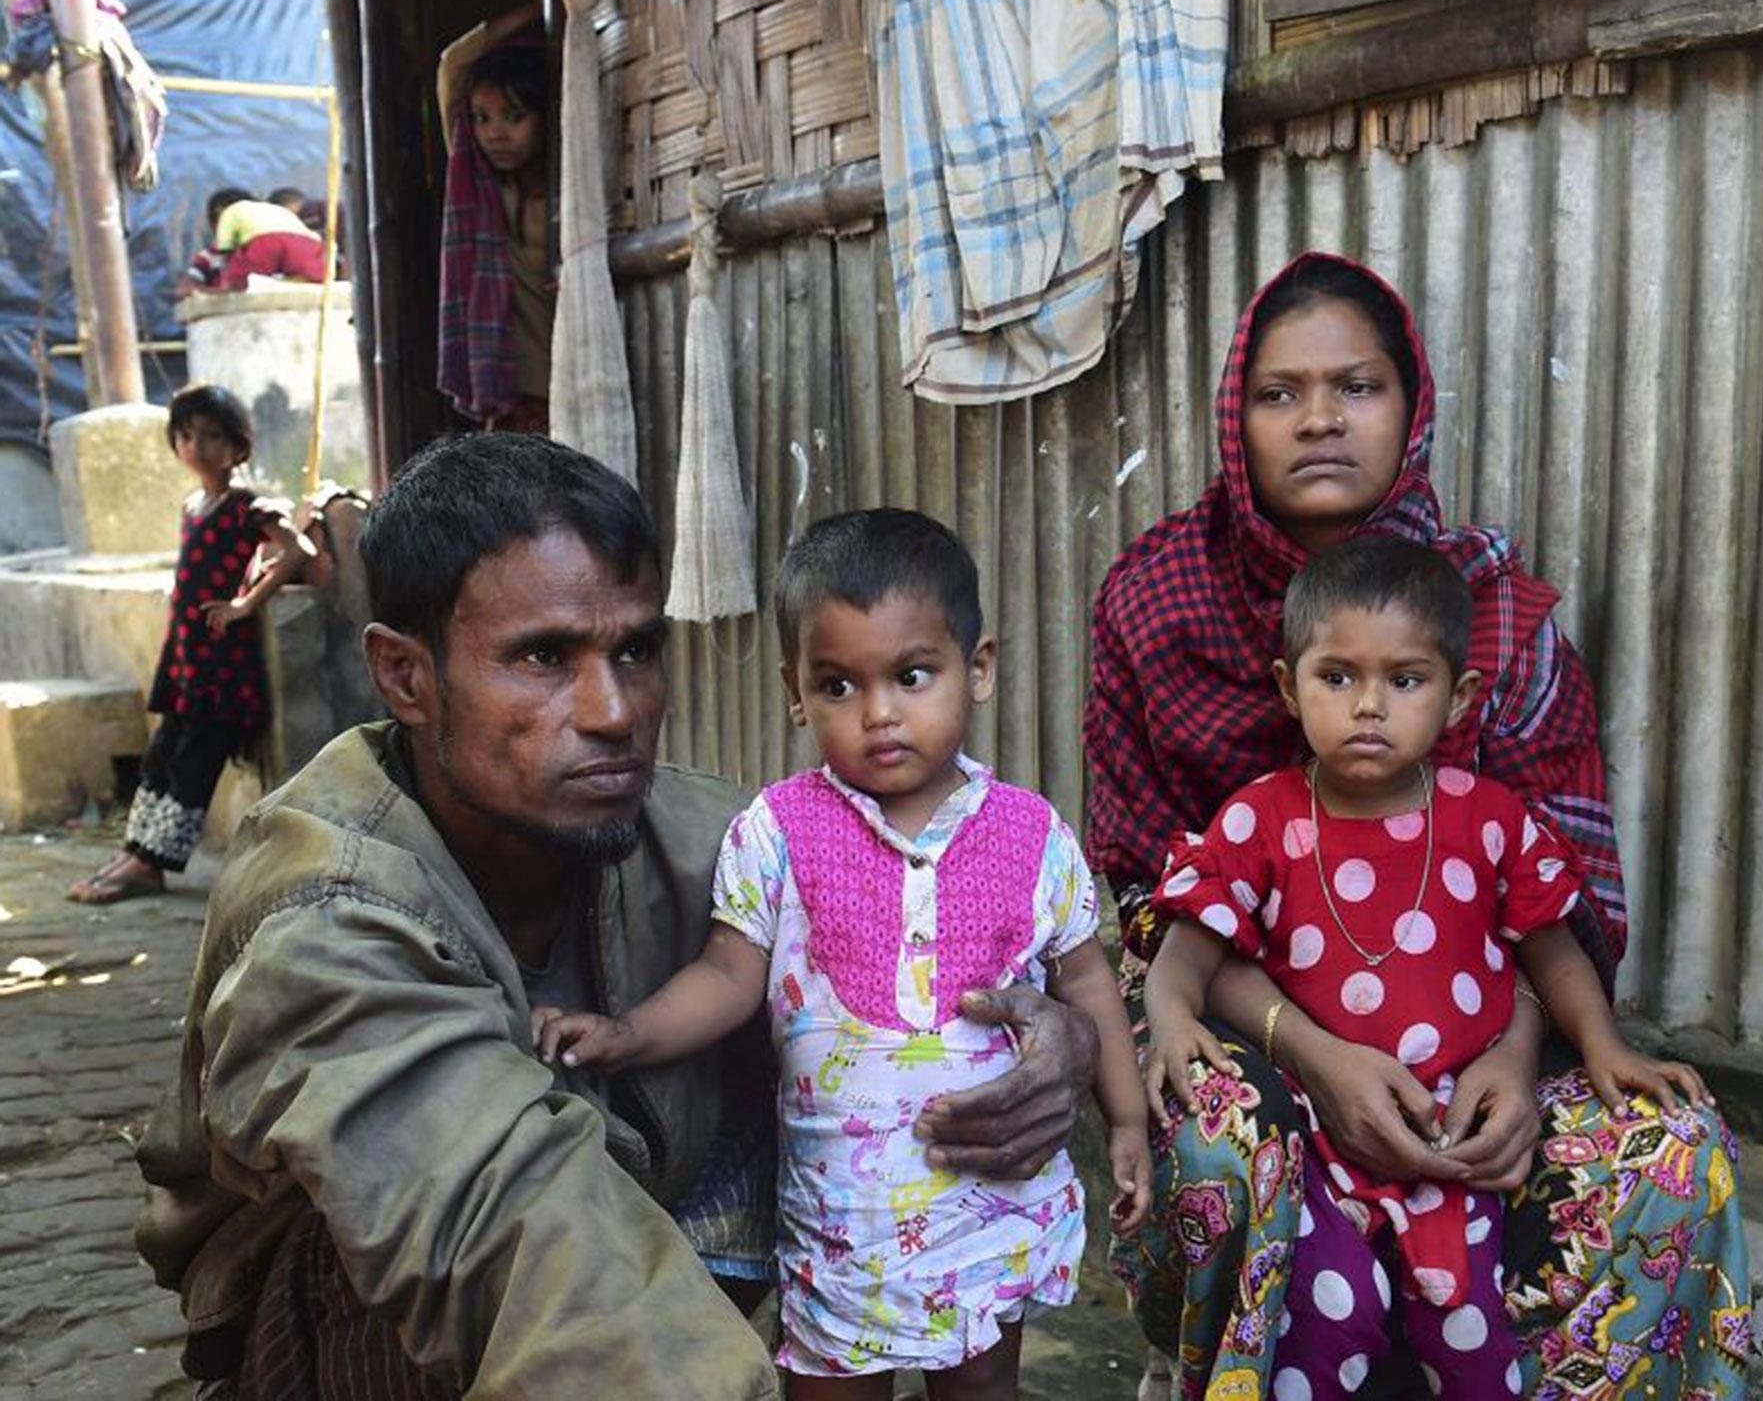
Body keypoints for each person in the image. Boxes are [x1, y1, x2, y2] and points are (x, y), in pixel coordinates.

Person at [133, 435, 1102, 1396]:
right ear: (405, 677)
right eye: (544, 657)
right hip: (369, 1320)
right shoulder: (322, 915)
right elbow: (501, 1232)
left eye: (635, 650)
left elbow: (972, 980)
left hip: (635, 1255)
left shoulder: (725, 839)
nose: (611, 710)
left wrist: (1060, 1043)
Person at [1086, 252, 1750, 1397]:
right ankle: (1220, 1367)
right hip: (1253, 1035)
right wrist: (1314, 1052)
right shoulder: (1155, 602)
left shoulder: (1494, 617)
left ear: (1411, 406)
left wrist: (1510, 1053)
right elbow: (1155, 903)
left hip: (1486, 1046)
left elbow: (1561, 908)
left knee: (1676, 1155)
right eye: (1278, 393)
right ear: (1233, 418)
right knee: (1207, 1143)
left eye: (1357, 386)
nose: (1319, 421)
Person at [533, 507, 1151, 1400]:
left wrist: (1126, 1121)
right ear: (796, 690)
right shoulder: (778, 829)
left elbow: (1085, 978)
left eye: (910, 675)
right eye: (838, 687)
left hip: (988, 1205)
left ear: (976, 670)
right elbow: (727, 972)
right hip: (839, 1219)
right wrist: (629, 1034)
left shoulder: (1030, 834)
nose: (879, 714)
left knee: (983, 1386)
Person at [1143, 537, 1714, 1396]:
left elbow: (1551, 949)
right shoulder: (1258, 821)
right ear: (1286, 687)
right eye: (1336, 678)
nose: (1368, 706)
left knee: (1475, 1354)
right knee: (1328, 1335)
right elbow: (1187, 948)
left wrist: (1602, 1046)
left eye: (1405, 681)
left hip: (1450, 1151)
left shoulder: (1491, 821)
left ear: (1460, 699)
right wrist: (1174, 1017)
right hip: (1325, 1155)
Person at [68, 386, 308, 904]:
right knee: (162, 756)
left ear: (238, 446)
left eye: (211, 435)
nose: (195, 445)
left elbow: (296, 549)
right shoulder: (194, 506)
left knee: (194, 762)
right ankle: (135, 851)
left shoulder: (249, 506)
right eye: (184, 435)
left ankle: (152, 866)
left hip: (222, 665)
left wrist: (246, 603)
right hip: (186, 661)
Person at [436, 2, 553, 431]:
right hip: (507, 400)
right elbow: (454, 65)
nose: (494, 133)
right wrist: (544, 4)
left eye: (514, 116)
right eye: (482, 118)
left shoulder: (568, 195)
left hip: (566, 391)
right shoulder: (482, 188)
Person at [173, 186, 251, 300]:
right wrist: (227, 295)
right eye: (225, 224)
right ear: (213, 226)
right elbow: (183, 290)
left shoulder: (263, 252)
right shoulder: (210, 257)